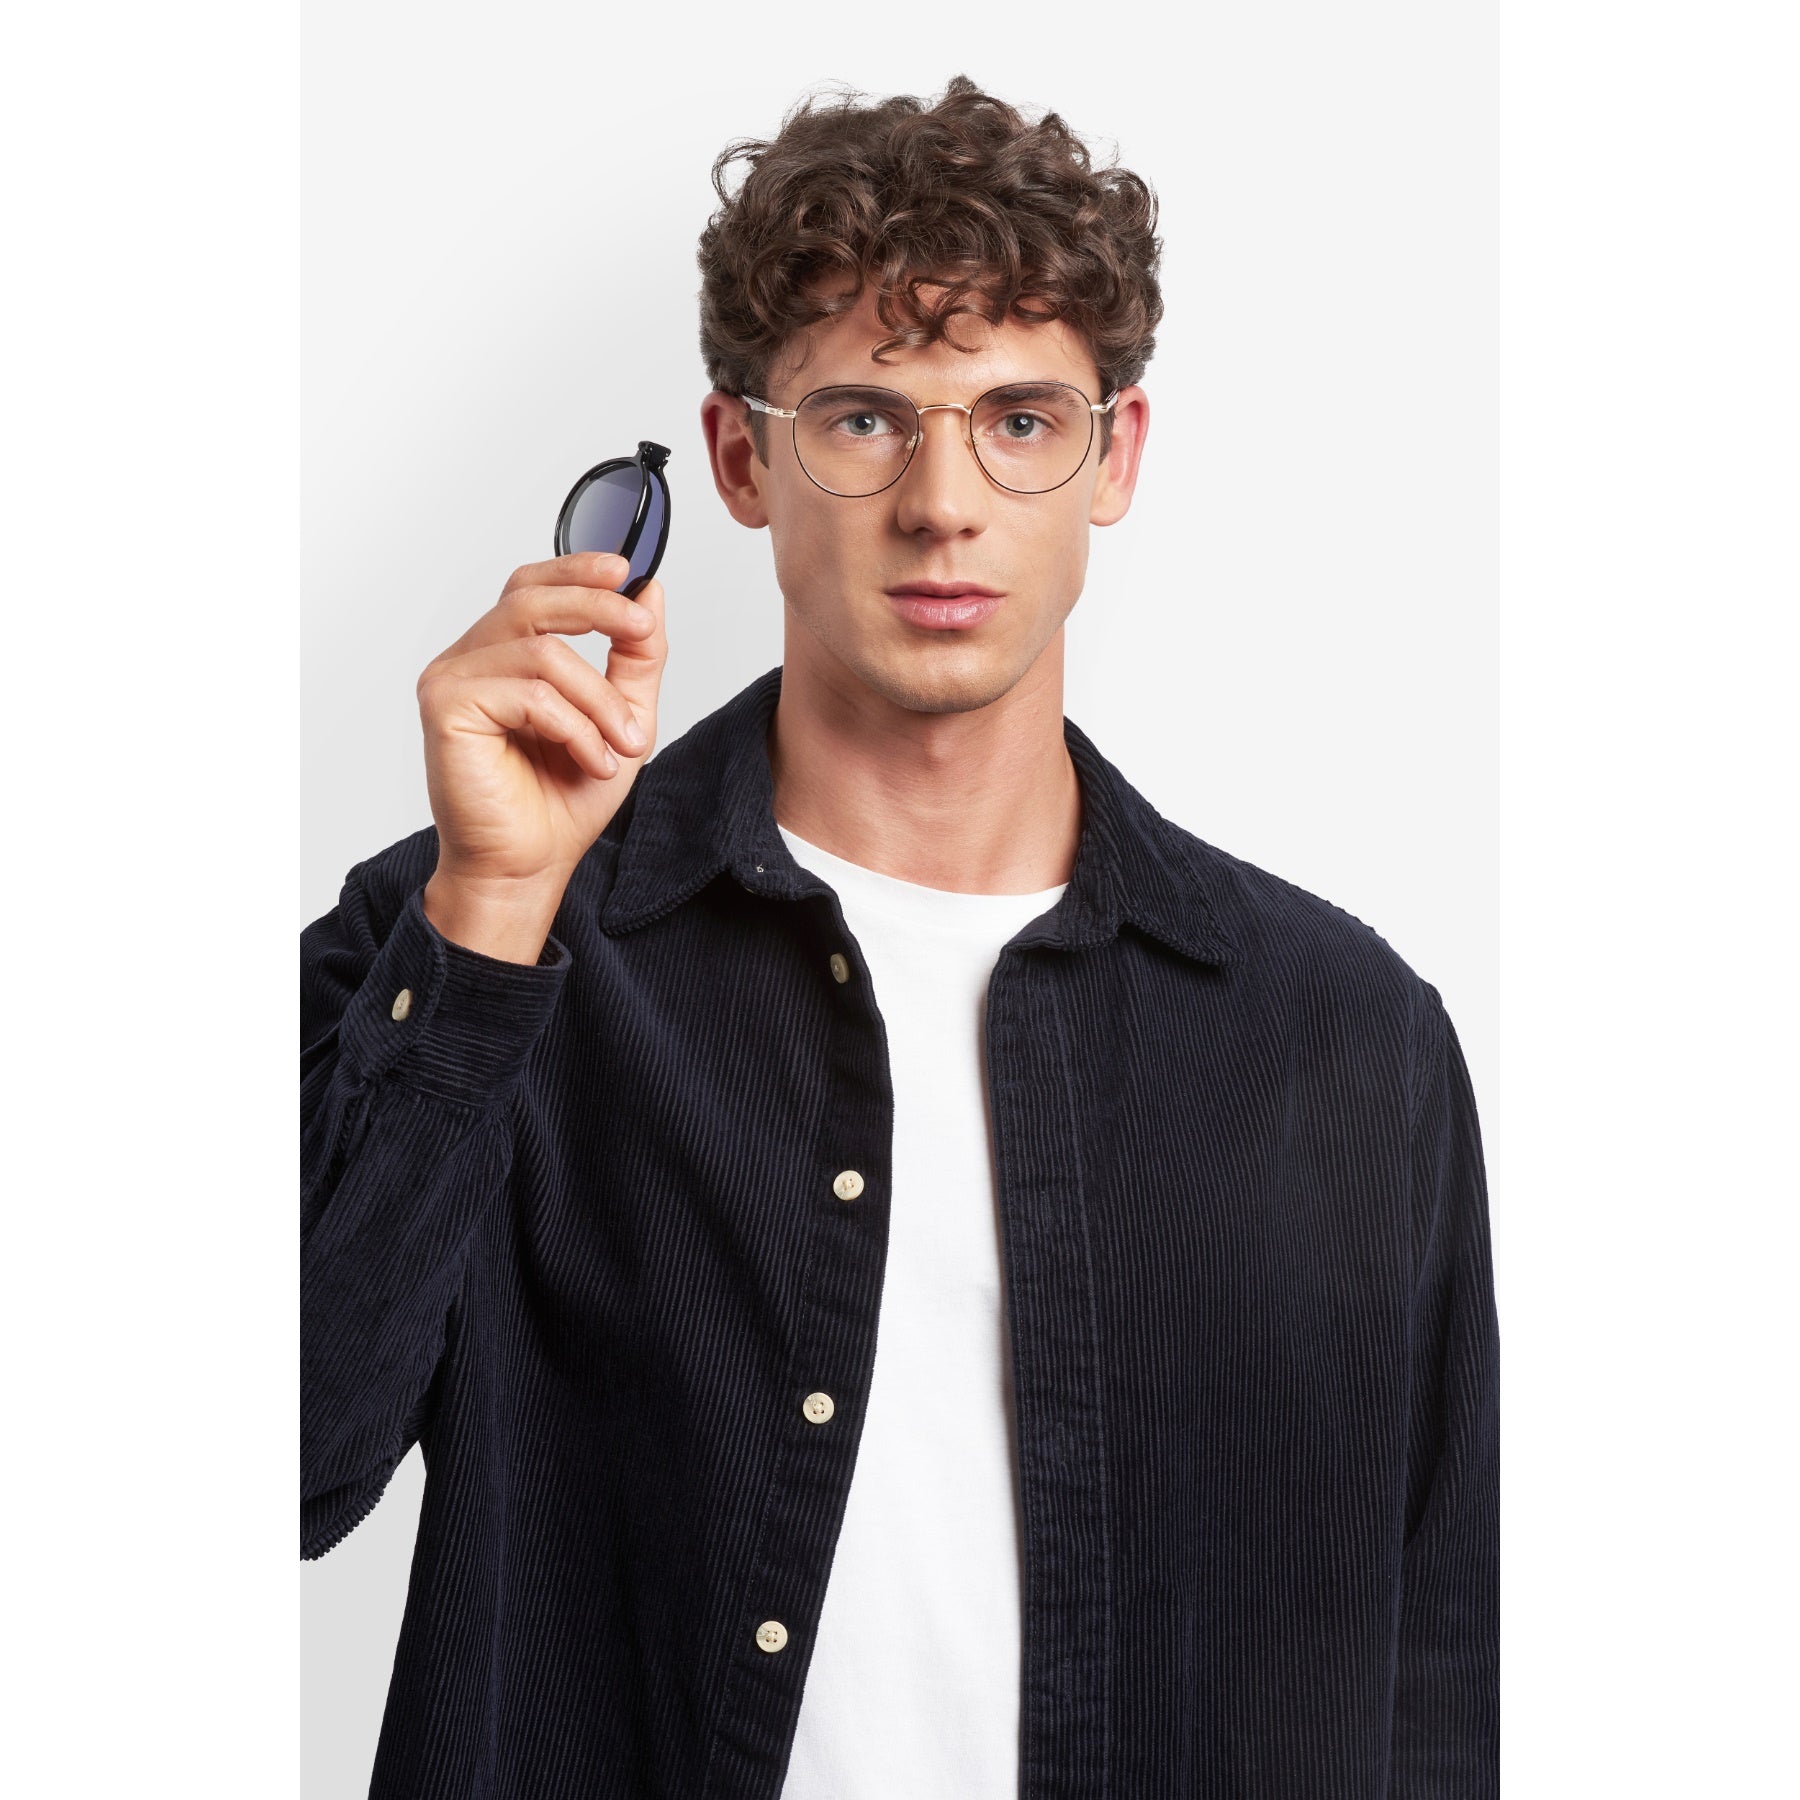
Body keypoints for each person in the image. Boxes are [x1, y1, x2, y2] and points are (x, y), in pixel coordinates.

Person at [301, 74, 1498, 1800]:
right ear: (740, 460)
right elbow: (280, 1468)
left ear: (1114, 458)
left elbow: (1444, 1671)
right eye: (865, 418)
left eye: (1020, 418)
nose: (947, 502)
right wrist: (488, 920)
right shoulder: (478, 939)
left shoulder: (1345, 1033)